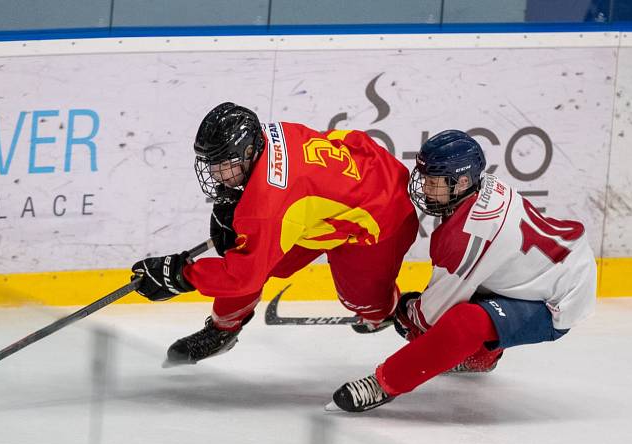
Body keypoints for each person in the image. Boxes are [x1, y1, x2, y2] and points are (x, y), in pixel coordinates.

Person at [130, 102, 419, 367]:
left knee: (365, 305)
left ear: (247, 153)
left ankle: (400, 313)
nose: (216, 174)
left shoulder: (267, 206)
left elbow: (243, 275)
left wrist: (181, 275)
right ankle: (223, 330)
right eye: (212, 164)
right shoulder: (267, 136)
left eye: (223, 165)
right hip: (337, 195)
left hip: (380, 217)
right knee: (254, 255)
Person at [328, 130, 597, 412]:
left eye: (433, 182)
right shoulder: (484, 188)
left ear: (463, 181)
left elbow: (430, 317)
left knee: (463, 323)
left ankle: (383, 384)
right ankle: (483, 357)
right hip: (556, 263)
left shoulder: (468, 234)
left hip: (561, 298)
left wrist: (403, 313)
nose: (424, 188)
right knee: (466, 297)